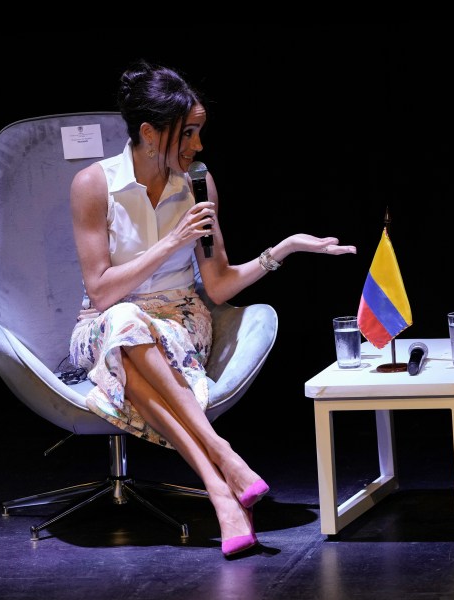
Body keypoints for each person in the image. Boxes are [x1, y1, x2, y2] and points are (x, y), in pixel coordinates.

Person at [68, 60, 356, 559]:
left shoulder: (197, 184)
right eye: (189, 133)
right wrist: (171, 241)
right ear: (150, 134)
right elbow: (100, 292)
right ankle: (223, 466)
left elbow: (218, 286)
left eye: (200, 132)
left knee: (135, 353)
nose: (198, 146)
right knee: (123, 322)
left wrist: (282, 249)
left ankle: (222, 492)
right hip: (104, 323)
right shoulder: (94, 185)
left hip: (178, 321)